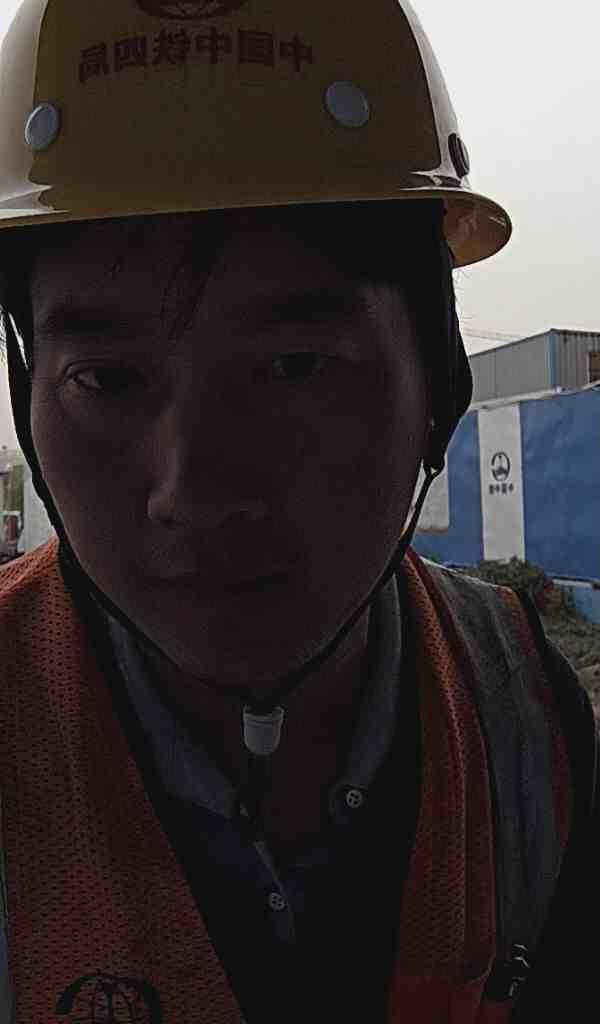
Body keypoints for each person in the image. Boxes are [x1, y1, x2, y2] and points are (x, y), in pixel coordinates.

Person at [0, 1, 597, 1021]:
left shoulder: (525, 712)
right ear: (28, 393)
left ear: (437, 382)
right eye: (105, 379)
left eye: (294, 365)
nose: (192, 492)